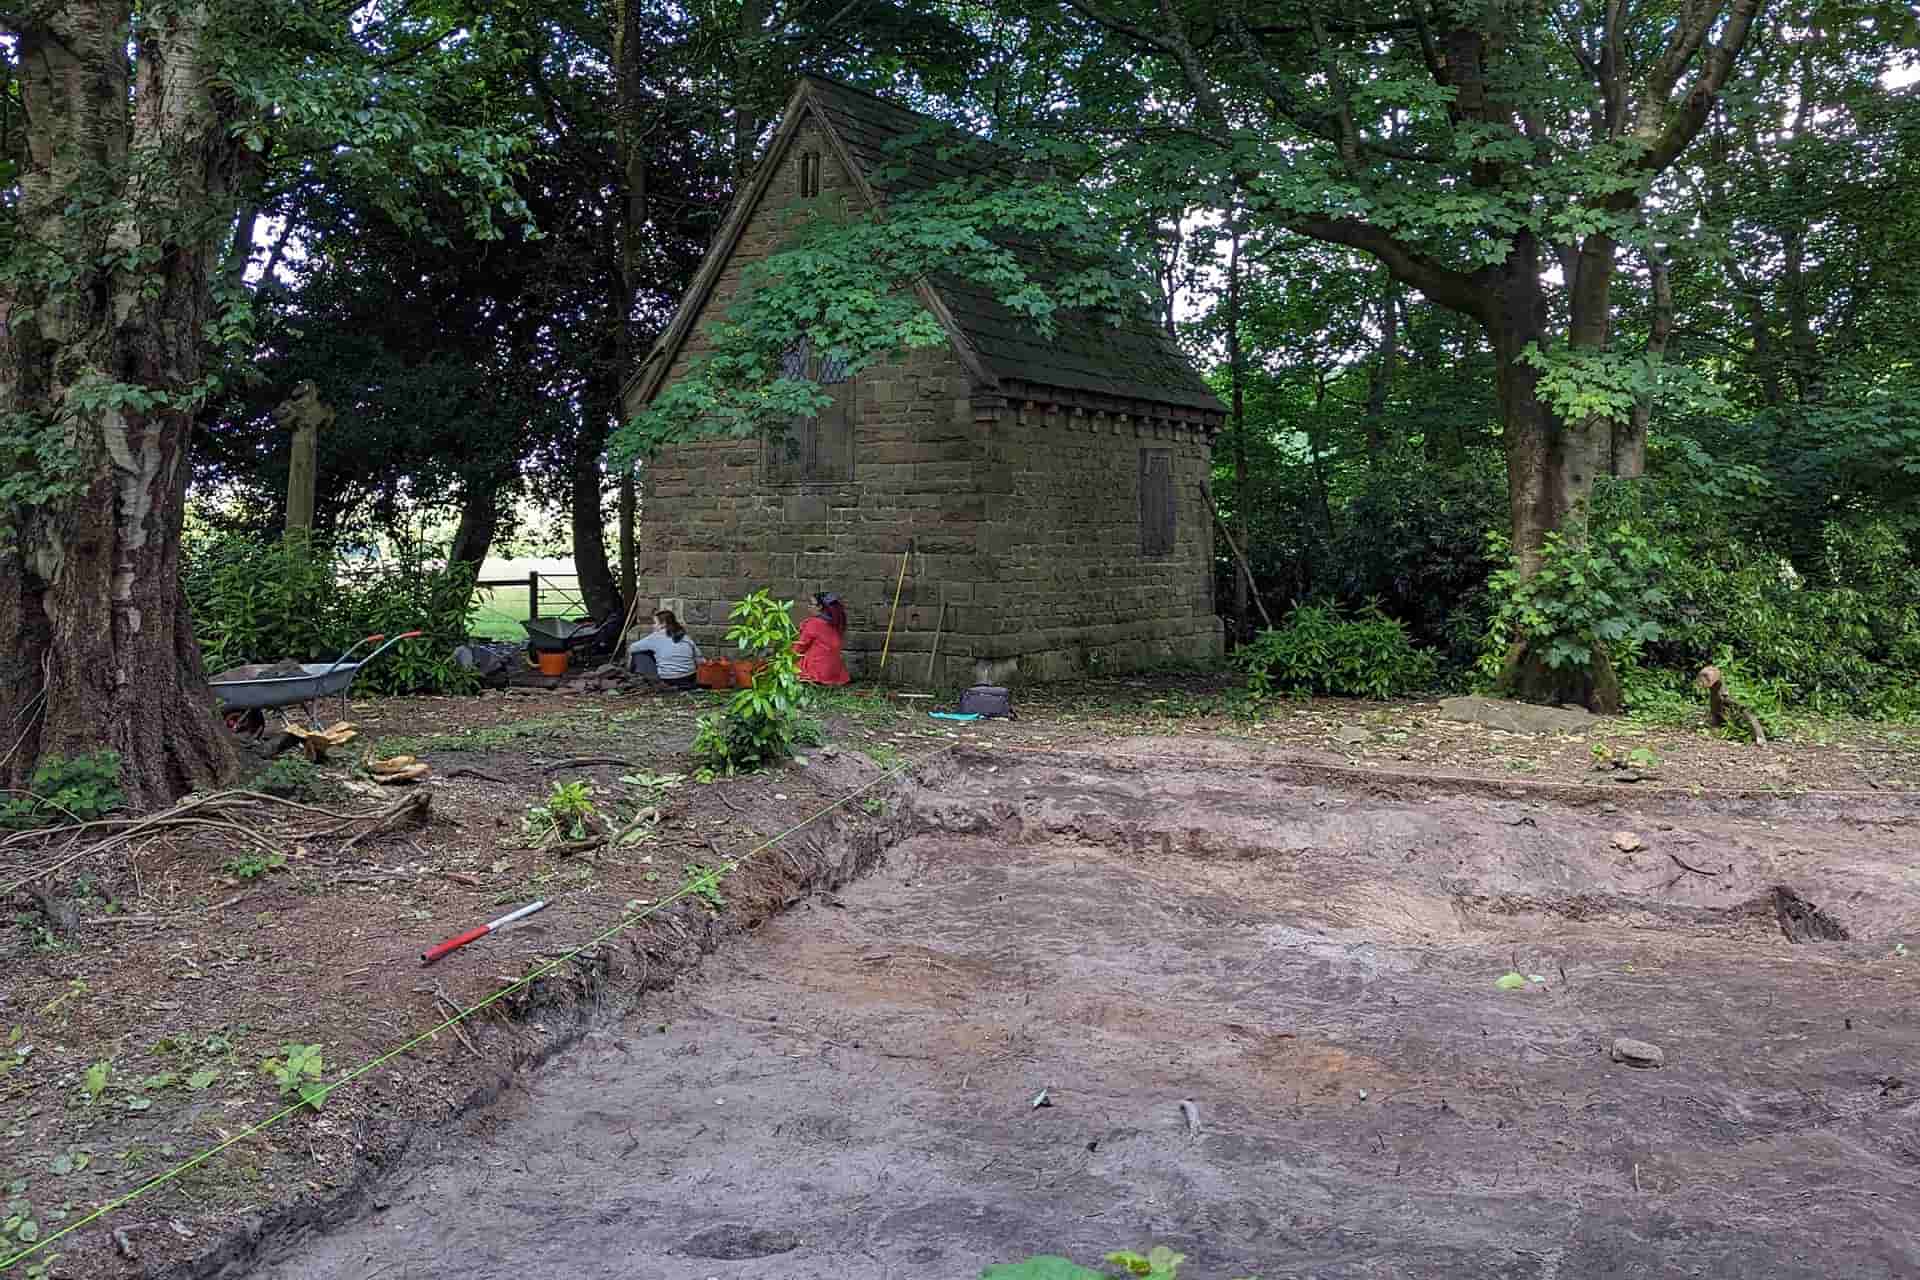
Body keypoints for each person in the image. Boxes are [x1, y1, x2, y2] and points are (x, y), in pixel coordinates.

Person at [627, 610, 701, 690]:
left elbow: (632, 648)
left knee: (639, 653)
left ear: (663, 624)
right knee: (654, 650)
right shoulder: (684, 636)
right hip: (690, 677)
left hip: (669, 679)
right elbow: (699, 657)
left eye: (655, 623)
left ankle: (654, 682)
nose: (653, 626)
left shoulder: (656, 637)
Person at [793, 592, 850, 685]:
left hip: (818, 672)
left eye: (811, 604)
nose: (808, 606)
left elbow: (799, 647)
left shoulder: (814, 624)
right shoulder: (836, 623)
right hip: (835, 672)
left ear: (819, 607)